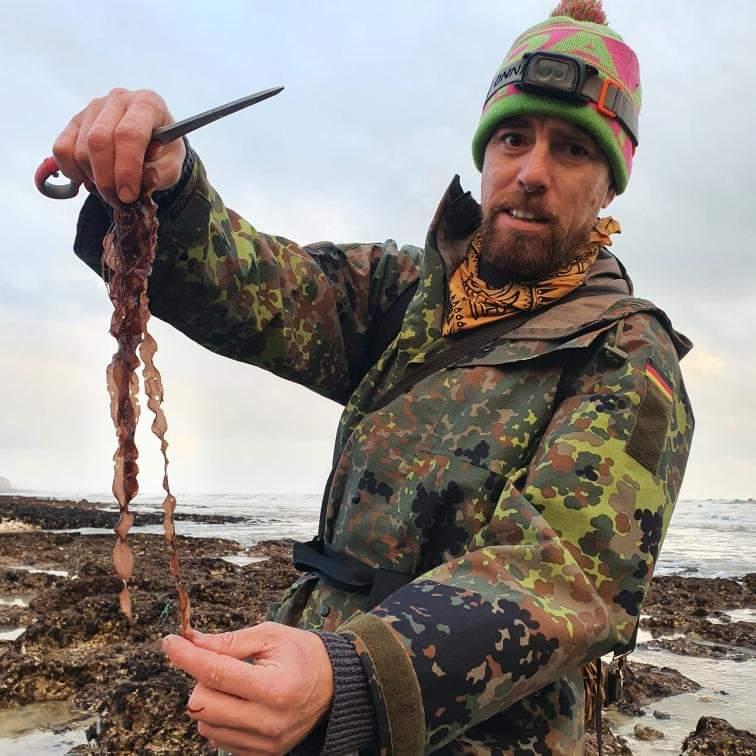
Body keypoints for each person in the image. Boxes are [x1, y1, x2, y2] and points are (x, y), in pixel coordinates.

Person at [58, 1, 694, 753]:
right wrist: (168, 187)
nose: (531, 173)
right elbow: (267, 290)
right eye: (514, 139)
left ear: (610, 185)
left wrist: (351, 675)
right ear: (485, 153)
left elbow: (564, 576)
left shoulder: (623, 353)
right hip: (308, 708)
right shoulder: (406, 291)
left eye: (573, 151)